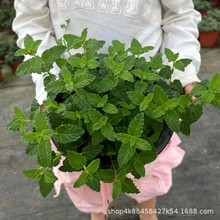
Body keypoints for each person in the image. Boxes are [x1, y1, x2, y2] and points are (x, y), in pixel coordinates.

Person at [13, 1, 201, 219]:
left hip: (146, 83)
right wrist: (49, 83)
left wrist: (183, 72)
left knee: (148, 166)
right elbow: (31, 20)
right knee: (81, 165)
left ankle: (148, 213)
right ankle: (97, 212)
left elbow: (179, 13)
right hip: (70, 87)